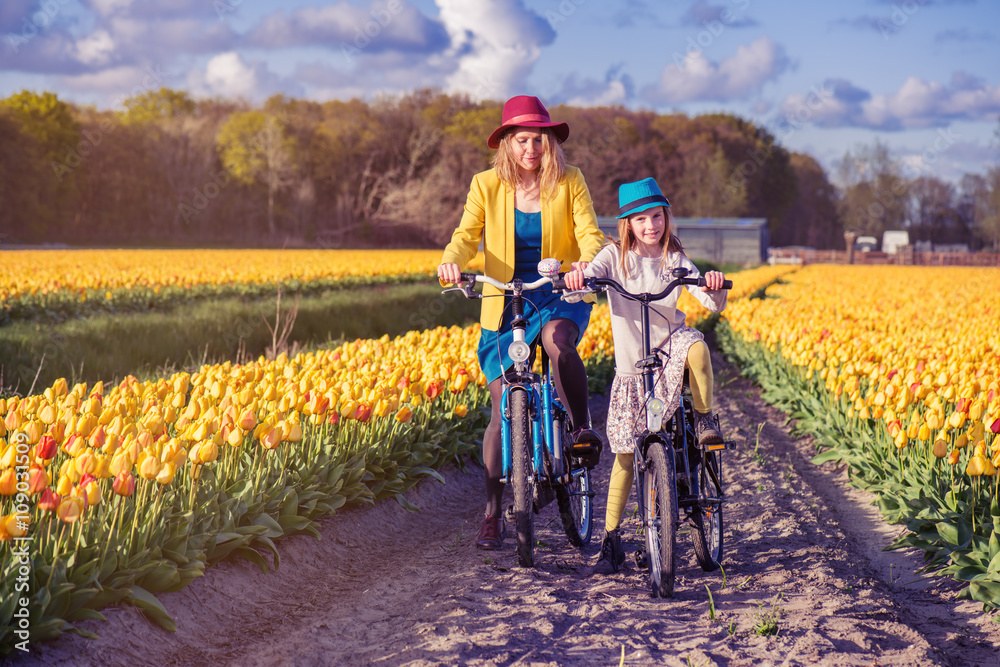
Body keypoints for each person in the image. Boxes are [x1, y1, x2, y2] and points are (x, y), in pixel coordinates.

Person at [437, 95, 606, 550]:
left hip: (557, 293)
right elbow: (465, 236)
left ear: (551, 143)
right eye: (523, 140)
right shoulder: (486, 185)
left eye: (539, 140)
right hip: (505, 300)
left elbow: (590, 232)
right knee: (500, 410)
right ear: (507, 145)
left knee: (557, 343)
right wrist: (451, 263)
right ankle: (493, 513)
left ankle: (578, 428)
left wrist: (586, 265)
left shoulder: (570, 181)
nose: (532, 149)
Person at [565, 177, 728, 574]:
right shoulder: (612, 257)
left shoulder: (674, 259)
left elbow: (709, 300)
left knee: (698, 346)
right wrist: (577, 278)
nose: (650, 225)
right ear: (628, 225)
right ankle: (611, 539)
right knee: (623, 455)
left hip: (669, 350)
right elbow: (583, 287)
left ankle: (704, 418)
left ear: (666, 218)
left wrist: (713, 283)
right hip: (631, 368)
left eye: (656, 216)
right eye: (641, 219)